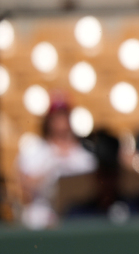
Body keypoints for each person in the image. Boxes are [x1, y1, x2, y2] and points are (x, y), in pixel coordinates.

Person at [16, 97, 97, 229]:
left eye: (64, 115)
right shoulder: (34, 150)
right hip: (44, 211)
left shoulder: (84, 153)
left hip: (79, 212)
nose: (60, 120)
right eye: (56, 116)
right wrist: (52, 164)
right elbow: (26, 191)